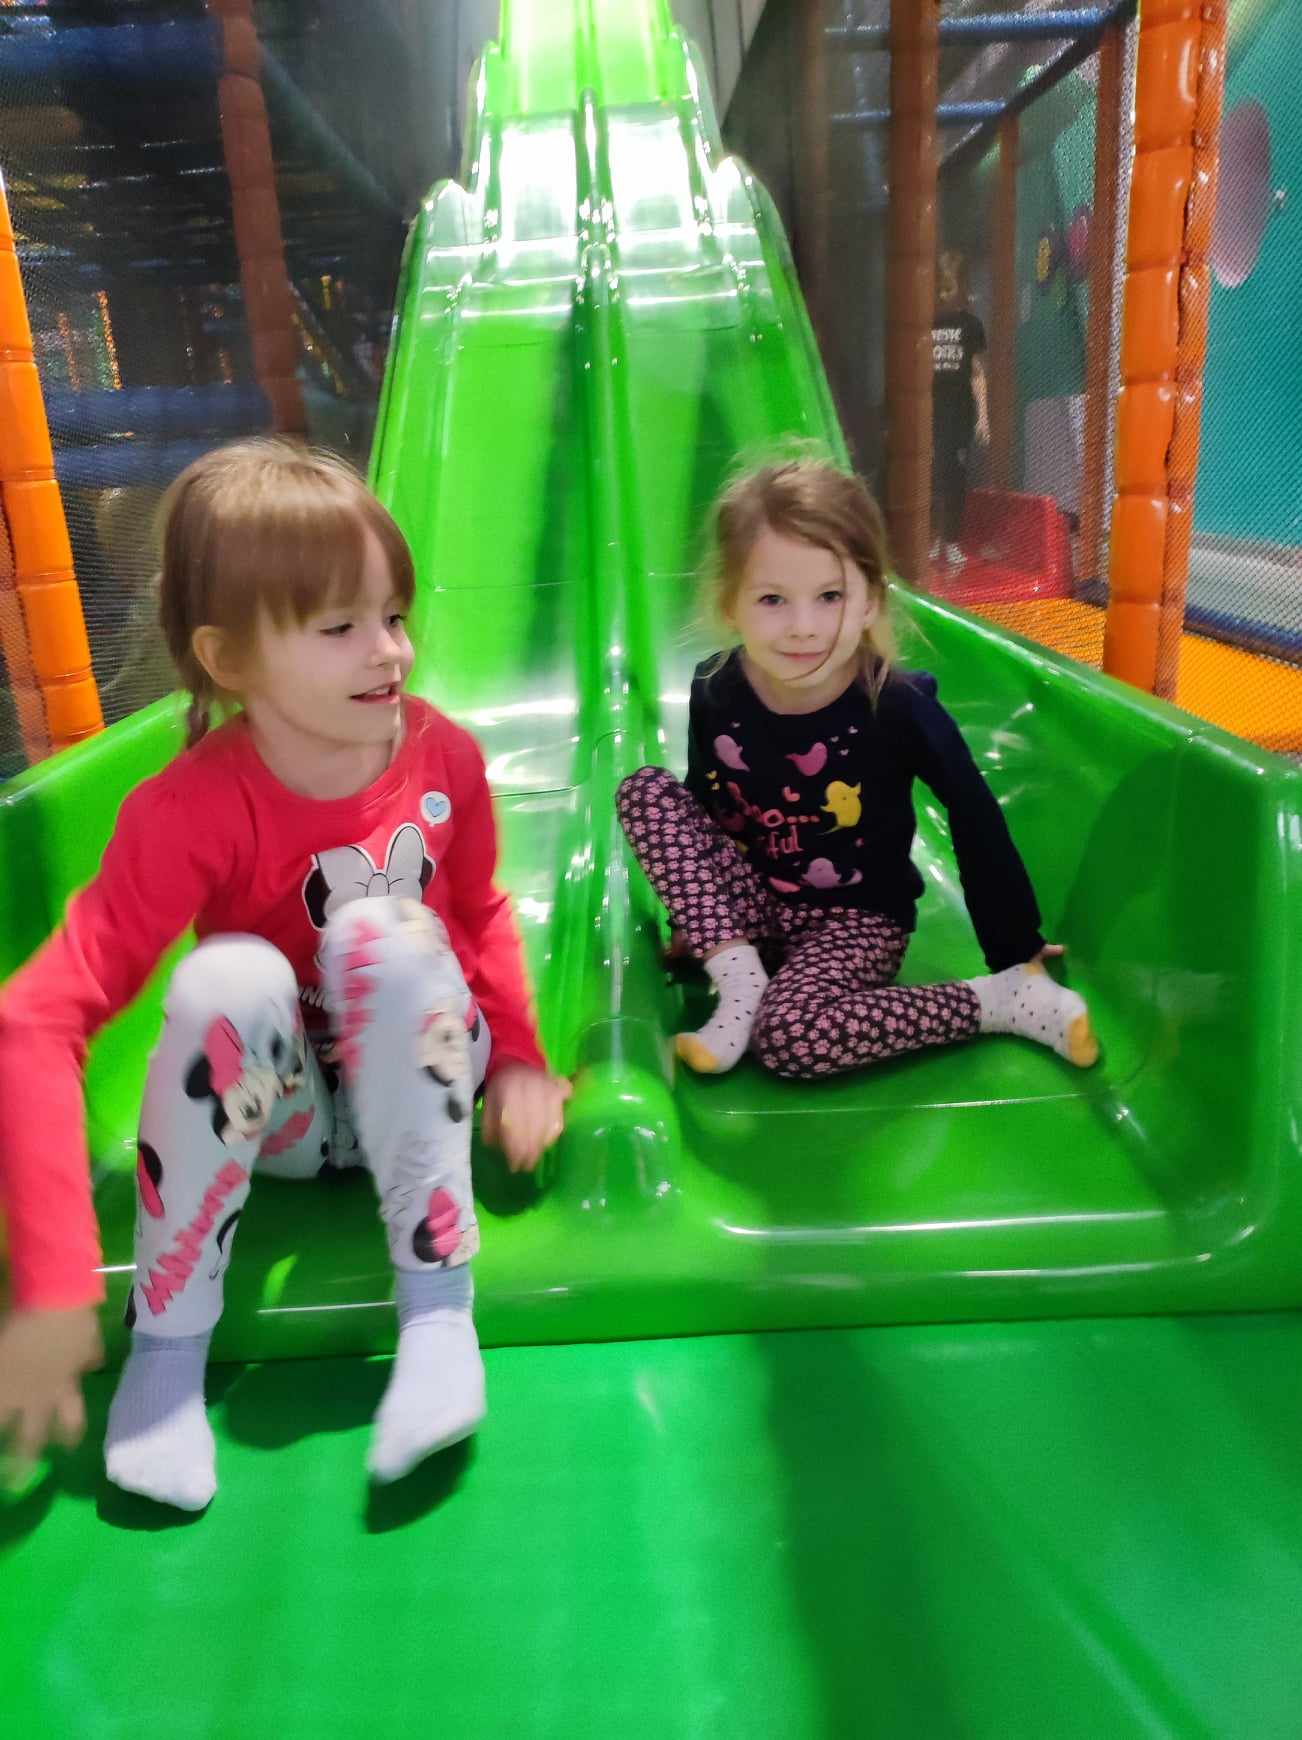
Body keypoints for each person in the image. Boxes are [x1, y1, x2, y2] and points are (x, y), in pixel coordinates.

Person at [0, 439, 571, 1510]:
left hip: (428, 1073)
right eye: (340, 627)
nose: (389, 652)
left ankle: (437, 1317)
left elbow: (481, 910)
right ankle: (168, 1354)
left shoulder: (443, 756)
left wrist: (521, 1061)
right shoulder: (188, 809)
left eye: (393, 615)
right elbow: (35, 1019)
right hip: (289, 1118)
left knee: (386, 935)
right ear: (228, 659)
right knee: (226, 980)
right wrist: (53, 1280)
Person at [617, 455, 1098, 1082]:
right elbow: (708, 803)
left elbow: (971, 808)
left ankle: (999, 1003)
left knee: (790, 1038)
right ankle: (739, 981)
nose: (803, 627)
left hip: (855, 922)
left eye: (830, 597)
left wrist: (1014, 944)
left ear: (871, 600)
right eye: (772, 599)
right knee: (645, 791)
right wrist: (702, 923)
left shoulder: (894, 705)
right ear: (730, 604)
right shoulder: (716, 687)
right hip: (754, 910)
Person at [931, 248, 989, 570]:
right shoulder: (928, 323)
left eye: (949, 288)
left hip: (959, 413)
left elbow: (977, 374)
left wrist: (984, 417)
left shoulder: (971, 326)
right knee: (932, 476)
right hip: (932, 412)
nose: (943, 295)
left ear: (962, 288)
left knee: (954, 477)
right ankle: (932, 539)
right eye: (939, 289)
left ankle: (951, 541)